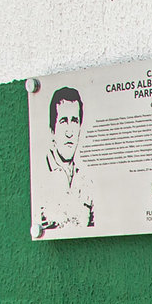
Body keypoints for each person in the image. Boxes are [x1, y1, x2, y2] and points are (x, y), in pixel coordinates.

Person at [37, 86, 93, 233]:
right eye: (63, 121)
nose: (69, 132)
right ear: (52, 130)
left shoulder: (86, 180)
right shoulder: (40, 176)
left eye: (74, 121)